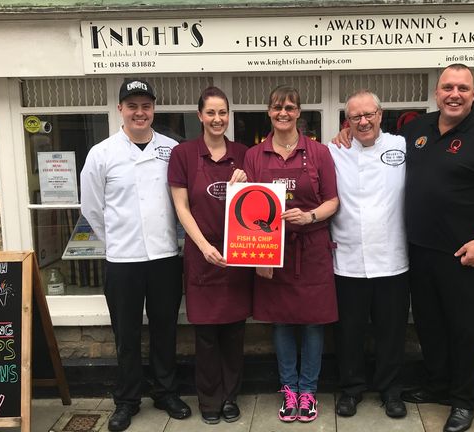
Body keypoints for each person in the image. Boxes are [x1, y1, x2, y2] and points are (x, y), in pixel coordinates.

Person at [399, 64, 474, 432]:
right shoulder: (416, 130)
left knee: (465, 329)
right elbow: (380, 153)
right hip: (420, 250)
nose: (454, 94)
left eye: (463, 88)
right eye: (448, 87)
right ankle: (437, 385)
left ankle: (464, 400)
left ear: (473, 94)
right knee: (429, 324)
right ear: (437, 93)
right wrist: (346, 134)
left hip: (466, 255)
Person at [80, 79, 192, 432]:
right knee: (126, 334)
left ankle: (165, 391)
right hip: (123, 260)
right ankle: (127, 400)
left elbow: (180, 203)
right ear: (120, 110)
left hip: (164, 256)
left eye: (146, 106)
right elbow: (92, 209)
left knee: (165, 328)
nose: (139, 112)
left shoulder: (172, 149)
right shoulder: (102, 154)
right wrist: (115, 241)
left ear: (153, 110)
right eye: (133, 106)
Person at [243, 85, 339, 423]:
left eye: (289, 107)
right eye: (276, 107)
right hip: (272, 249)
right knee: (281, 323)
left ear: (299, 112)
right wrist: (259, 258)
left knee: (313, 325)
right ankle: (288, 390)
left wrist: (309, 216)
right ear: (268, 112)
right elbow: (249, 206)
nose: (283, 112)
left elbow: (333, 200)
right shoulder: (255, 156)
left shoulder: (319, 153)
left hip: (311, 248)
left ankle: (308, 392)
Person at [167, 86, 252, 425]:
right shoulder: (184, 154)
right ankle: (209, 400)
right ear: (200, 116)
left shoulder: (245, 154)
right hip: (201, 255)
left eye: (223, 112)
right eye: (211, 113)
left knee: (234, 333)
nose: (218, 119)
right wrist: (203, 246)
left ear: (229, 116)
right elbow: (180, 207)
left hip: (237, 256)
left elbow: (260, 205)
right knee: (205, 336)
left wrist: (245, 184)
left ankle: (231, 398)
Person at [328, 90, 409, 419]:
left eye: (368, 114)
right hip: (348, 258)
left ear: (380, 114)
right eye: (354, 117)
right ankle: (351, 389)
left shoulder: (401, 146)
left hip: (392, 257)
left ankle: (390, 390)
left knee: (392, 330)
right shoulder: (334, 150)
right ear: (346, 122)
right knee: (349, 331)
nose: (363, 122)